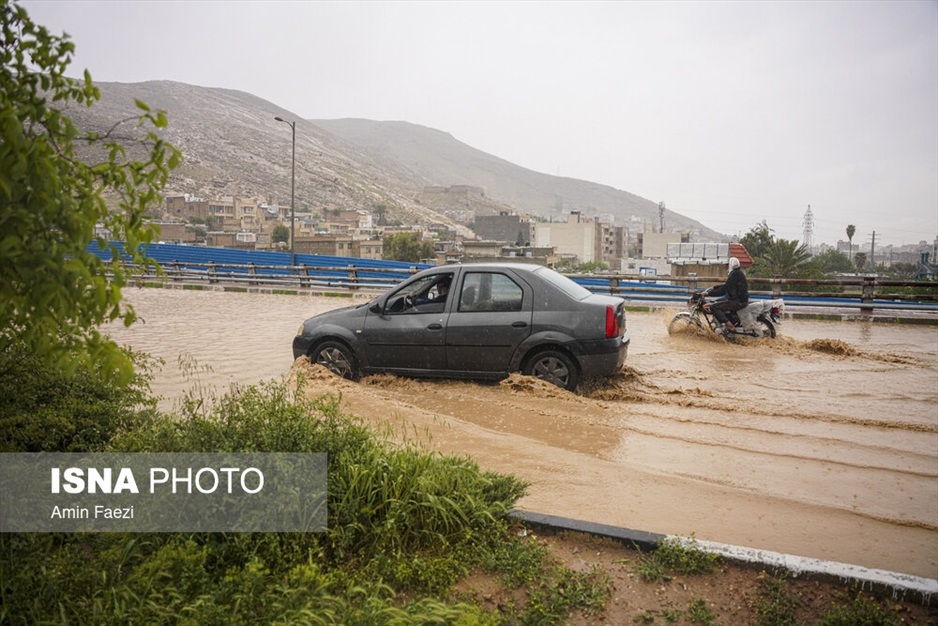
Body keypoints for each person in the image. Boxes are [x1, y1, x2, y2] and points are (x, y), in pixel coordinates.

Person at [704, 257, 748, 333]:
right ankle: (723, 324)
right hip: (737, 299)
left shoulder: (735, 274)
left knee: (714, 307)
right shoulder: (737, 273)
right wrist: (714, 288)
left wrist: (709, 293)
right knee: (716, 302)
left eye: (727, 265)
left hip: (737, 301)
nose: (725, 267)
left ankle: (730, 326)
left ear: (731, 265)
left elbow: (725, 289)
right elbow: (727, 285)